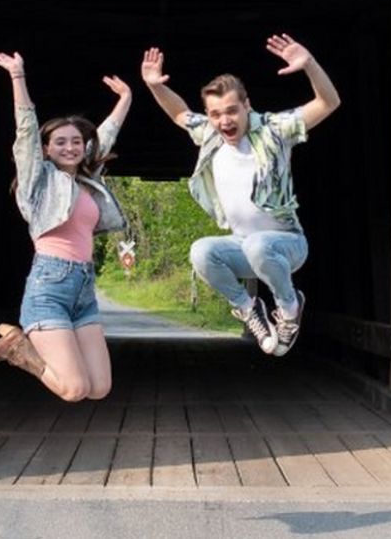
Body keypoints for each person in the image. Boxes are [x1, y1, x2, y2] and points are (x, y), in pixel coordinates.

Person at [140, 33, 340, 356]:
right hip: (243, 248)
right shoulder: (210, 135)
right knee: (201, 252)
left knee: (259, 244)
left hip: (286, 245)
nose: (224, 121)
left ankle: (290, 308)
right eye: (216, 114)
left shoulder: (275, 129)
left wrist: (310, 65)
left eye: (232, 111)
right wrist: (154, 85)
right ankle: (249, 309)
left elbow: (328, 103)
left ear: (247, 105)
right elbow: (179, 113)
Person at [0, 50, 132, 402]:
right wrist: (18, 76)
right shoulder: (39, 181)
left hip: (83, 289)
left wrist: (126, 99)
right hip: (48, 287)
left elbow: (104, 136)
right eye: (60, 142)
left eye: (76, 142)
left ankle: (20, 345)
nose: (70, 147)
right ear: (46, 150)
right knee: (73, 389)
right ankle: (17, 348)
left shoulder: (87, 180)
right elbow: (26, 132)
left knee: (99, 388)